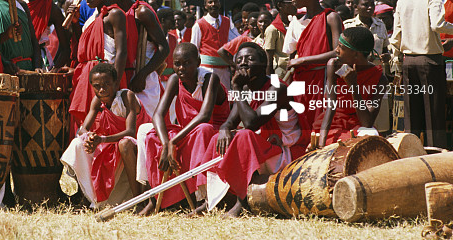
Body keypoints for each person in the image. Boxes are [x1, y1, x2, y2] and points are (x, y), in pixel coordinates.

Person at [200, 43, 301, 217]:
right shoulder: (246, 89)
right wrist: (224, 129)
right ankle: (211, 200)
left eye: (250, 59)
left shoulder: (277, 88)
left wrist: (237, 88)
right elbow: (230, 122)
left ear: (263, 63)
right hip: (266, 148)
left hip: (287, 150)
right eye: (239, 60)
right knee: (219, 137)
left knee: (244, 135)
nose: (243, 63)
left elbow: (251, 123)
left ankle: (243, 202)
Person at [140, 43, 229, 214]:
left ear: (198, 62)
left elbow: (204, 116)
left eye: (187, 63)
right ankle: (157, 196)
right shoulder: (175, 80)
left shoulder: (210, 79)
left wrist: (173, 141)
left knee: (203, 129)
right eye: (177, 63)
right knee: (151, 135)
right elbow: (158, 115)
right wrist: (167, 143)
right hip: (188, 130)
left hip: (213, 129)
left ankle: (202, 197)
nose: (181, 68)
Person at [61, 63, 148, 208]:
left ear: (116, 83)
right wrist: (90, 138)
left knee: (125, 144)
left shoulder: (127, 96)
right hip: (111, 142)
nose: (102, 89)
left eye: (107, 84)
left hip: (138, 145)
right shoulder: (97, 100)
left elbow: (130, 132)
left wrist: (101, 140)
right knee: (77, 144)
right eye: (97, 86)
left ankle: (138, 201)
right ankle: (88, 197)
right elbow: (83, 129)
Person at [390, 0, 453, 148]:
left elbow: (396, 36)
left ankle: (411, 156)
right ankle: (436, 159)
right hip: (430, 63)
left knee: (412, 117)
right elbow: (438, 24)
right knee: (434, 117)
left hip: (409, 63)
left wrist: (397, 65)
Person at [107, 0, 169, 118]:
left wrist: (142, 75)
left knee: (142, 131)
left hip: (144, 83)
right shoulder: (114, 13)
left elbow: (164, 47)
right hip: (124, 79)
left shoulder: (142, 12)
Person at [69, 0, 128, 129]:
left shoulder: (115, 14)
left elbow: (121, 51)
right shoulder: (93, 16)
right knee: (85, 125)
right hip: (88, 77)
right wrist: (75, 23)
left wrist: (114, 84)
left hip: (106, 78)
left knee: (104, 124)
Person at [284, 0, 343, 127]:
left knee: (320, 124)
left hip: (323, 79)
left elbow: (339, 52)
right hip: (301, 82)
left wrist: (303, 60)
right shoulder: (297, 22)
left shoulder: (330, 17)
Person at [316, 27, 388, 147]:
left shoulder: (380, 79)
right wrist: (321, 142)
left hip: (358, 124)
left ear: (356, 54)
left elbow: (367, 122)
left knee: (370, 139)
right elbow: (331, 105)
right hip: (333, 124)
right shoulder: (334, 65)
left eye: (341, 47)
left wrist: (353, 85)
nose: (336, 50)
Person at [22, 0, 71, 70]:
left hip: (40, 64)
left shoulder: (51, 9)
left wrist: (54, 70)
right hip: (16, 62)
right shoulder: (15, 3)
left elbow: (65, 48)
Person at [190, 0, 240, 89]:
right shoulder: (199, 24)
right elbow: (194, 48)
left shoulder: (227, 21)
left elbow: (235, 39)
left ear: (220, 4)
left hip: (224, 69)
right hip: (206, 68)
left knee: (225, 96)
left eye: (215, 1)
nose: (213, 4)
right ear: (205, 6)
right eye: (210, 2)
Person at [263, 0, 296, 77]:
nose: (295, 5)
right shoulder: (272, 29)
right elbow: (269, 59)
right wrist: (269, 80)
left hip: (297, 72)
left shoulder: (296, 24)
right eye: (291, 2)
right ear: (280, 5)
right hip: (280, 73)